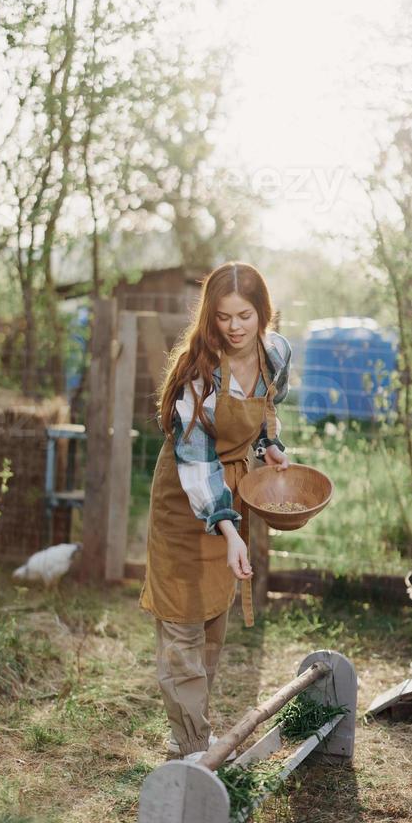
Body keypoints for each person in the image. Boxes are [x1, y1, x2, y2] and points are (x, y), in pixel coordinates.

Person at [139, 261, 293, 761]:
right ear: (210, 316)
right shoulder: (198, 375)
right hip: (185, 498)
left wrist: (269, 444)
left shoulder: (276, 353)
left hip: (230, 487)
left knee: (212, 617)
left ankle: (192, 728)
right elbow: (198, 463)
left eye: (245, 315)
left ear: (262, 313)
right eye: (223, 316)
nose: (234, 327)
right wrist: (230, 534)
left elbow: (268, 406)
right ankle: (190, 746)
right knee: (182, 619)